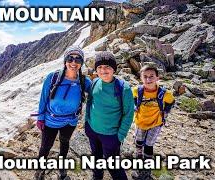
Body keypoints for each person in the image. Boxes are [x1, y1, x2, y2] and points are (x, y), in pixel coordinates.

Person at [35, 46, 91, 180]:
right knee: (45, 146)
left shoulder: (84, 81)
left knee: (64, 143)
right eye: (70, 58)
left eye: (78, 59)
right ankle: (40, 170)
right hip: (50, 120)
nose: (74, 62)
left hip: (70, 121)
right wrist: (41, 117)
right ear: (65, 60)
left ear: (81, 63)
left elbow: (98, 93)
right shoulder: (52, 78)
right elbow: (43, 98)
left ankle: (62, 167)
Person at [85, 51, 134, 180]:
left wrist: (120, 137)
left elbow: (128, 115)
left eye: (107, 67)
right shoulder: (95, 82)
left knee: (113, 166)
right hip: (93, 131)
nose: (103, 70)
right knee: (96, 159)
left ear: (114, 69)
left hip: (111, 135)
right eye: (100, 67)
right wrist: (87, 124)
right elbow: (90, 102)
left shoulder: (124, 88)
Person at [132, 65, 175, 179]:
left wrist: (165, 112)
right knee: (139, 141)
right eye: (145, 77)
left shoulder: (164, 93)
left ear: (157, 78)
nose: (148, 79)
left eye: (151, 76)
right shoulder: (137, 90)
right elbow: (133, 99)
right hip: (140, 121)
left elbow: (171, 102)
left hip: (156, 123)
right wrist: (135, 106)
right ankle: (138, 157)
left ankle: (147, 167)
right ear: (141, 78)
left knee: (149, 144)